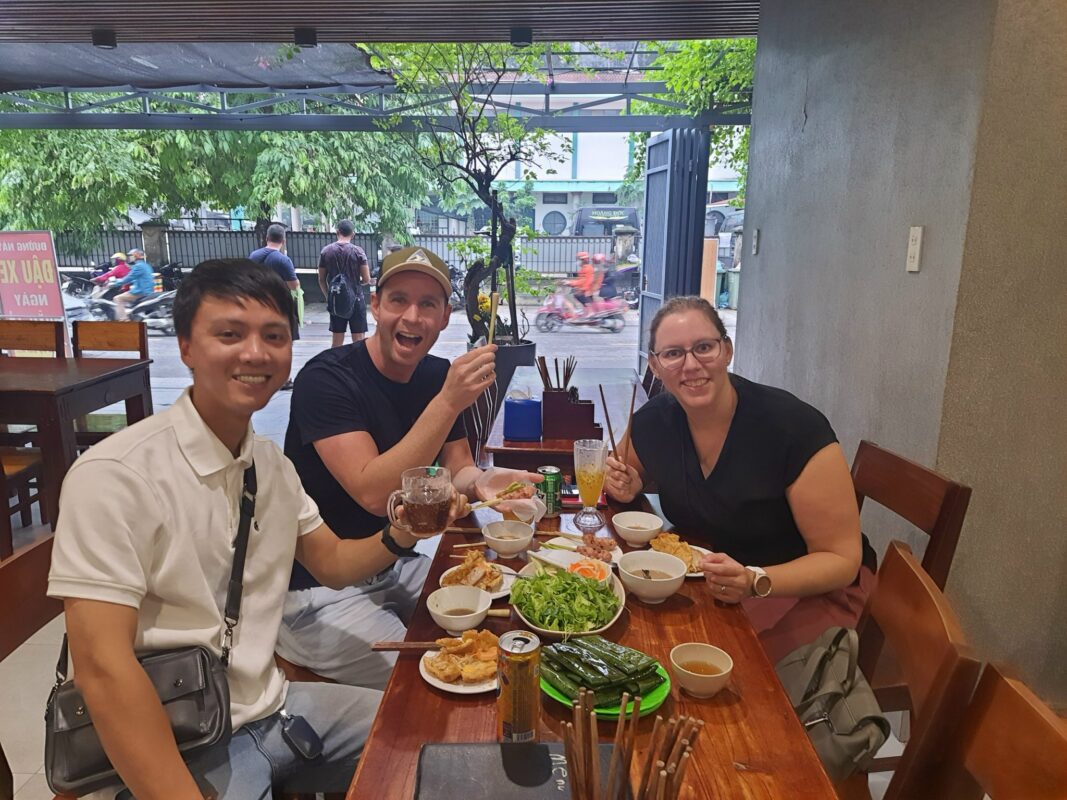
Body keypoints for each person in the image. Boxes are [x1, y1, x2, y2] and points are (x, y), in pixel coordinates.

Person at [48, 259, 468, 799]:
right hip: (178, 734)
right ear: (185, 347)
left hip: (272, 707)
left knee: (442, 734)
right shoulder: (115, 476)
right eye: (229, 334)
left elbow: (335, 563)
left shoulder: (268, 465)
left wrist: (402, 532)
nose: (254, 353)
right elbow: (102, 670)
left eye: (273, 336)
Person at [281, 245, 541, 689]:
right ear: (376, 305)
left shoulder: (435, 375)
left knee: (513, 608)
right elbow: (375, 493)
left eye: (428, 304)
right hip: (317, 594)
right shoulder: (326, 379)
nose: (413, 317)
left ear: (444, 317)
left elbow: (457, 469)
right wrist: (448, 401)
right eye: (399, 299)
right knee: (437, 680)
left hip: (395, 565)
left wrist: (484, 483)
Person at [604, 296, 875, 663]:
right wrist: (629, 484)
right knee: (640, 643)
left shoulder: (791, 427)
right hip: (713, 588)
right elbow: (628, 472)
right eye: (672, 354)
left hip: (802, 591)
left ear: (727, 350)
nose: (691, 365)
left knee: (725, 670)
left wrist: (754, 580)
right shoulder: (655, 420)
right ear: (655, 364)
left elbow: (841, 559)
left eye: (704, 348)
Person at [249, 224, 300, 389]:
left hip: (257, 305)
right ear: (283, 240)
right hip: (279, 307)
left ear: (266, 238)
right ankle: (283, 379)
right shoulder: (283, 260)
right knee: (284, 342)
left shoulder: (254, 256)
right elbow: (293, 285)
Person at [318, 219, 371, 347]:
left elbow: (321, 279)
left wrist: (328, 296)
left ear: (337, 232)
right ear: (353, 234)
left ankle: (335, 366)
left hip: (336, 300)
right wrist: (355, 283)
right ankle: (358, 366)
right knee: (358, 340)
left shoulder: (326, 251)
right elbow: (366, 279)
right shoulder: (358, 252)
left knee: (337, 341)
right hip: (357, 299)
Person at [114, 248, 154, 321]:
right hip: (147, 290)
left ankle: (124, 320)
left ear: (135, 256)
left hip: (140, 292)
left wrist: (114, 284)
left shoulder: (138, 266)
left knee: (117, 298)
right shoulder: (146, 265)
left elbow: (128, 278)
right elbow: (136, 278)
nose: (129, 257)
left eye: (131, 255)